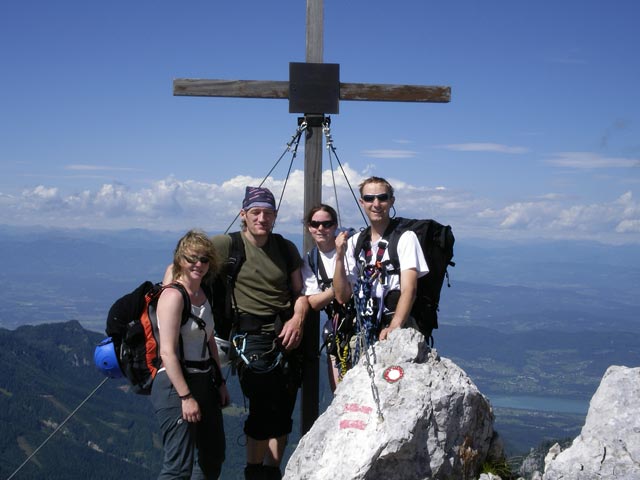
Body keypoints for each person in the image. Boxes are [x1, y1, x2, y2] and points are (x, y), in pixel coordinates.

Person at [213, 186, 308, 480]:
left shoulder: (285, 248)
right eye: (256, 212)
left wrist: (299, 315)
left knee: (282, 410)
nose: (262, 218)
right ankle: (255, 473)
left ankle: (270, 472)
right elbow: (185, 262)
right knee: (262, 408)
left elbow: (299, 291)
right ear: (243, 215)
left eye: (268, 213)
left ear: (275, 216)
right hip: (250, 338)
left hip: (286, 335)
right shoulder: (225, 245)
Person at [153, 229, 229, 479]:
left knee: (212, 456)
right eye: (191, 258)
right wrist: (185, 397)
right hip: (176, 385)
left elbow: (209, 342)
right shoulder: (173, 296)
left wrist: (220, 382)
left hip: (205, 380)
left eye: (204, 259)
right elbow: (167, 352)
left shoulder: (203, 293)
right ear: (179, 260)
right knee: (178, 465)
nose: (198, 264)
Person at [333, 176, 429, 346]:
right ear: (362, 202)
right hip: (364, 327)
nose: (376, 204)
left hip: (397, 326)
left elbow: (409, 289)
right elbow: (342, 296)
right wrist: (339, 256)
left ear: (391, 201)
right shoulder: (356, 242)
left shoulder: (406, 238)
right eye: (369, 198)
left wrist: (395, 327)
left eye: (382, 198)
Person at [300, 204, 355, 392]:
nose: (321, 229)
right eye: (315, 224)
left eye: (327, 224)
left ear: (335, 225)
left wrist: (331, 291)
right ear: (309, 227)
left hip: (362, 328)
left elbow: (343, 297)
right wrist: (337, 287)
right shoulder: (311, 260)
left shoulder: (352, 246)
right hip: (338, 332)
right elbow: (313, 302)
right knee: (340, 393)